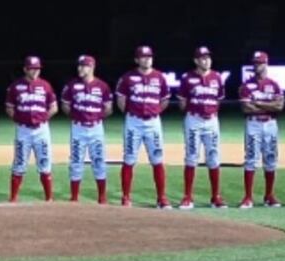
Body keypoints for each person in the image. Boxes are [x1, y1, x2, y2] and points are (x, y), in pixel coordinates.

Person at [116, 45, 171, 208]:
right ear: (137, 59)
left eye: (149, 56)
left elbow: (165, 99)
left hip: (153, 122)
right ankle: (126, 197)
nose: (147, 59)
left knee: (157, 159)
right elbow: (121, 101)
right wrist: (131, 114)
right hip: (134, 121)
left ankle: (161, 197)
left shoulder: (159, 77)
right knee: (129, 158)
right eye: (143, 57)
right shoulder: (128, 77)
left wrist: (154, 112)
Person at [177, 46, 227, 209]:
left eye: (208, 57)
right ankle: (188, 197)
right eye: (203, 58)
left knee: (213, 157)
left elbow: (219, 99)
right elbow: (182, 103)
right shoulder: (188, 78)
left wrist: (209, 111)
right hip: (194, 120)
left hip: (211, 120)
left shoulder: (217, 77)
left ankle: (215, 197)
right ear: (196, 60)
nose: (206, 60)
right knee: (191, 156)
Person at [60, 54, 113, 204]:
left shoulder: (102, 86)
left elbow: (108, 108)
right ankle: (74, 196)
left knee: (99, 160)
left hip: (96, 128)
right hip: (78, 128)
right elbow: (65, 105)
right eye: (79, 65)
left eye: (83, 65)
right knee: (76, 161)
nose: (80, 68)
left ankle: (102, 196)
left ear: (92, 67)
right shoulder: (71, 85)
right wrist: (78, 117)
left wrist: (95, 117)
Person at [6, 56, 58, 202]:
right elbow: (9, 108)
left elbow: (54, 107)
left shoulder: (46, 86)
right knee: (19, 163)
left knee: (44, 163)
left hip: (41, 130)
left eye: (37, 69)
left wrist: (43, 118)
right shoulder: (16, 86)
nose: (35, 71)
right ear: (25, 69)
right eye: (32, 68)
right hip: (23, 130)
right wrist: (19, 119)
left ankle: (49, 198)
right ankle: (13, 198)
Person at [237, 51, 285, 208]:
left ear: (266, 64)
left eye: (260, 63)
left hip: (270, 124)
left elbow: (279, 106)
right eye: (255, 63)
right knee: (251, 158)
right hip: (253, 124)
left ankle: (269, 195)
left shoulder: (274, 84)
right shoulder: (246, 85)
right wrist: (268, 105)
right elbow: (246, 108)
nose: (257, 65)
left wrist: (257, 103)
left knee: (270, 159)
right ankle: (248, 197)